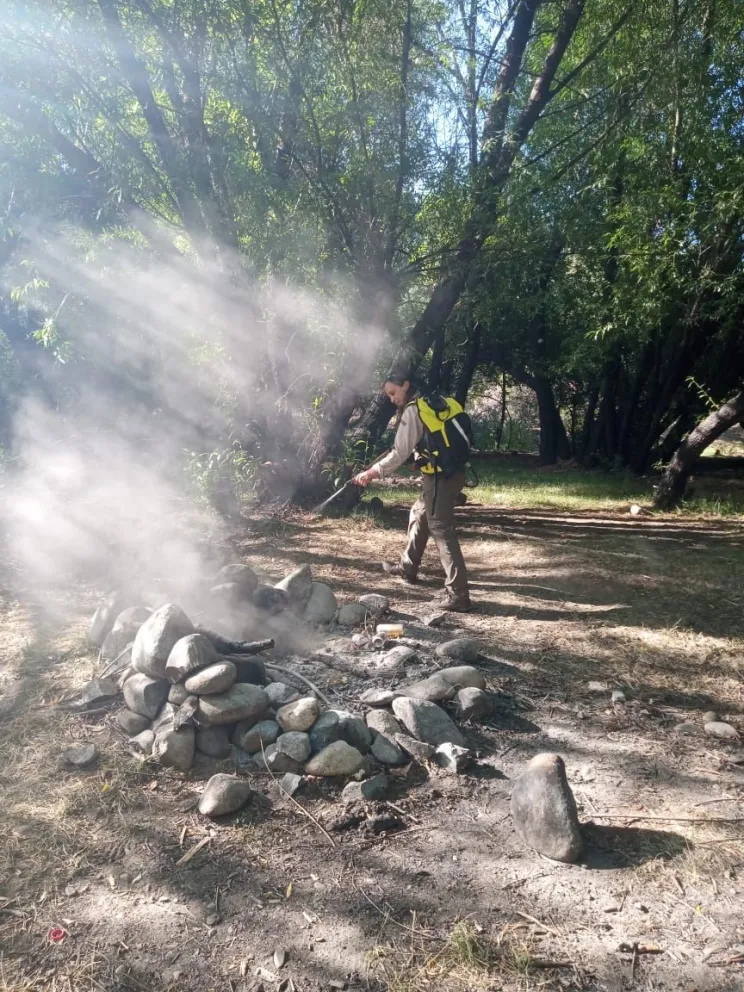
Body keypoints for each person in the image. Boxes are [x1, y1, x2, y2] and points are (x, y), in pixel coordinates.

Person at [353, 376, 471, 612]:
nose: (391, 398)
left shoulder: (414, 410)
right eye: (388, 394)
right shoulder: (436, 401)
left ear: (405, 384)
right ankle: (408, 568)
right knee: (419, 513)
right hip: (451, 472)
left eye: (392, 391)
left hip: (440, 478)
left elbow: (399, 452)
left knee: (441, 529)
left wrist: (372, 473)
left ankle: (458, 595)